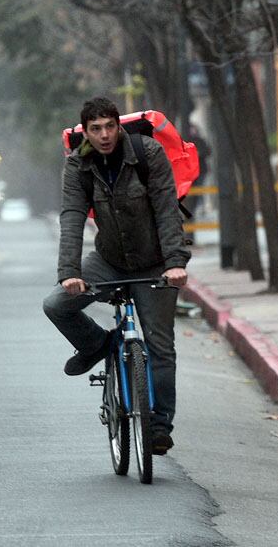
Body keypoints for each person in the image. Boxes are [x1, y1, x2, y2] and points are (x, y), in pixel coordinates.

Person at [43, 97, 190, 455]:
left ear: (118, 126)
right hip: (108, 260)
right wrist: (69, 273)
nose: (105, 135)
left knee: (159, 345)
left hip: (155, 263)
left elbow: (167, 209)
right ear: (85, 133)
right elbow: (72, 217)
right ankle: (99, 344)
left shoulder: (147, 154)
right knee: (57, 305)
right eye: (96, 129)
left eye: (110, 126)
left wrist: (175, 262)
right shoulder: (78, 165)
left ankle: (158, 426)